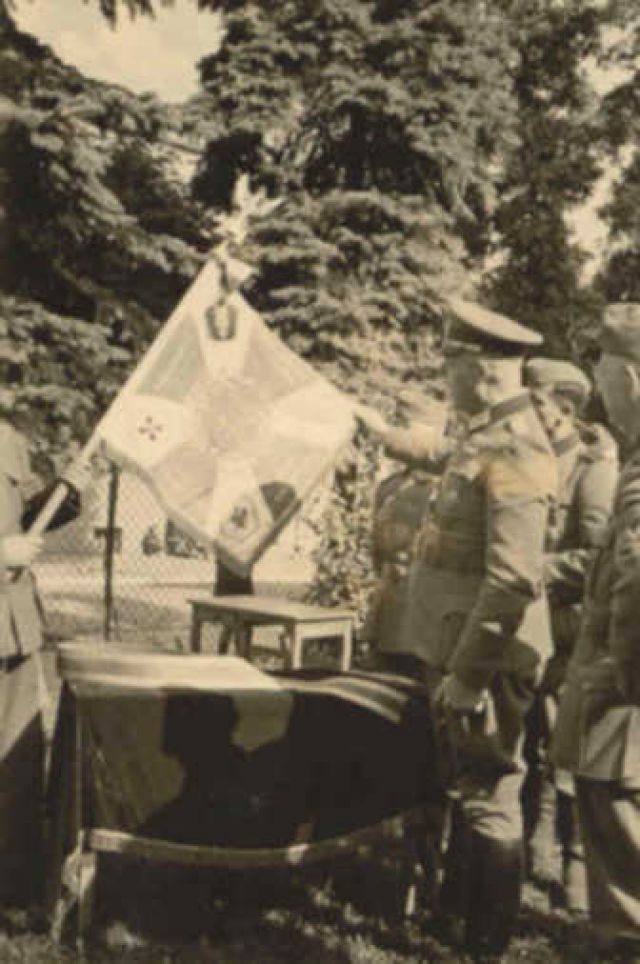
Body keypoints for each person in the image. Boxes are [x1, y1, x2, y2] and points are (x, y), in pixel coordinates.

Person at [358, 299, 557, 958]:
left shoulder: (518, 445)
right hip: (458, 643)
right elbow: (444, 452)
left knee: (489, 799)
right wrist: (380, 432)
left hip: (486, 656)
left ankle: (484, 949)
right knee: (469, 790)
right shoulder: (489, 432)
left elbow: (512, 580)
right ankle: (460, 927)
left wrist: (470, 677)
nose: (445, 374)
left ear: (482, 367)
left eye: (451, 361)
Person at [552, 304, 640, 953]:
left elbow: (636, 586)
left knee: (617, 830)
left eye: (603, 372)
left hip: (626, 699)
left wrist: (619, 681)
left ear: (630, 378)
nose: (599, 391)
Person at [522, 358, 618, 912]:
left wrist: (538, 568)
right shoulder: (531, 459)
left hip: (570, 626)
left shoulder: (593, 471)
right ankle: (533, 851)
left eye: (536, 402)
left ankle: (577, 871)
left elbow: (599, 559)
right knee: (532, 740)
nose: (527, 412)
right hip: (530, 619)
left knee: (569, 750)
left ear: (564, 408)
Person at [0, 420, 82, 912]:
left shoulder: (7, 438)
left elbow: (28, 515)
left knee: (16, 763)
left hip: (14, 629)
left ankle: (12, 889)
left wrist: (67, 493)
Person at [360, 386, 448, 665]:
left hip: (427, 615)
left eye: (407, 430)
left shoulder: (448, 488)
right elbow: (378, 552)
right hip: (388, 612)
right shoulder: (390, 487)